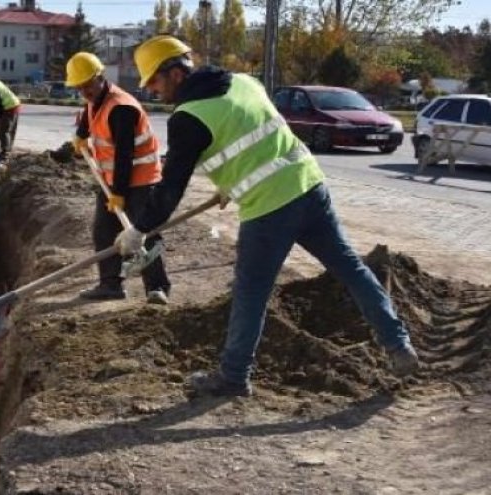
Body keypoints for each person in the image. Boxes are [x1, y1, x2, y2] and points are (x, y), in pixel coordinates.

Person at [115, 35, 420, 397]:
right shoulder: (244, 82)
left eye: (154, 80)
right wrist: (230, 183)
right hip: (309, 186)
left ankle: (233, 377)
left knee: (251, 292)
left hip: (269, 209)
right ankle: (399, 345)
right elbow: (252, 132)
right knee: (351, 269)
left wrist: (139, 229)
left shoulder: (188, 117)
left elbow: (170, 189)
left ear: (176, 73)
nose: (151, 89)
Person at [66, 52, 170, 305]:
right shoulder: (95, 100)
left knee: (144, 233)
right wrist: (81, 134)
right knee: (104, 232)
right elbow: (89, 115)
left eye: (88, 85)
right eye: (79, 87)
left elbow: (125, 154)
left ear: (100, 77)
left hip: (141, 180)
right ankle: (110, 285)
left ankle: (157, 288)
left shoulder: (121, 108)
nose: (84, 92)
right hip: (112, 180)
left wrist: (119, 193)